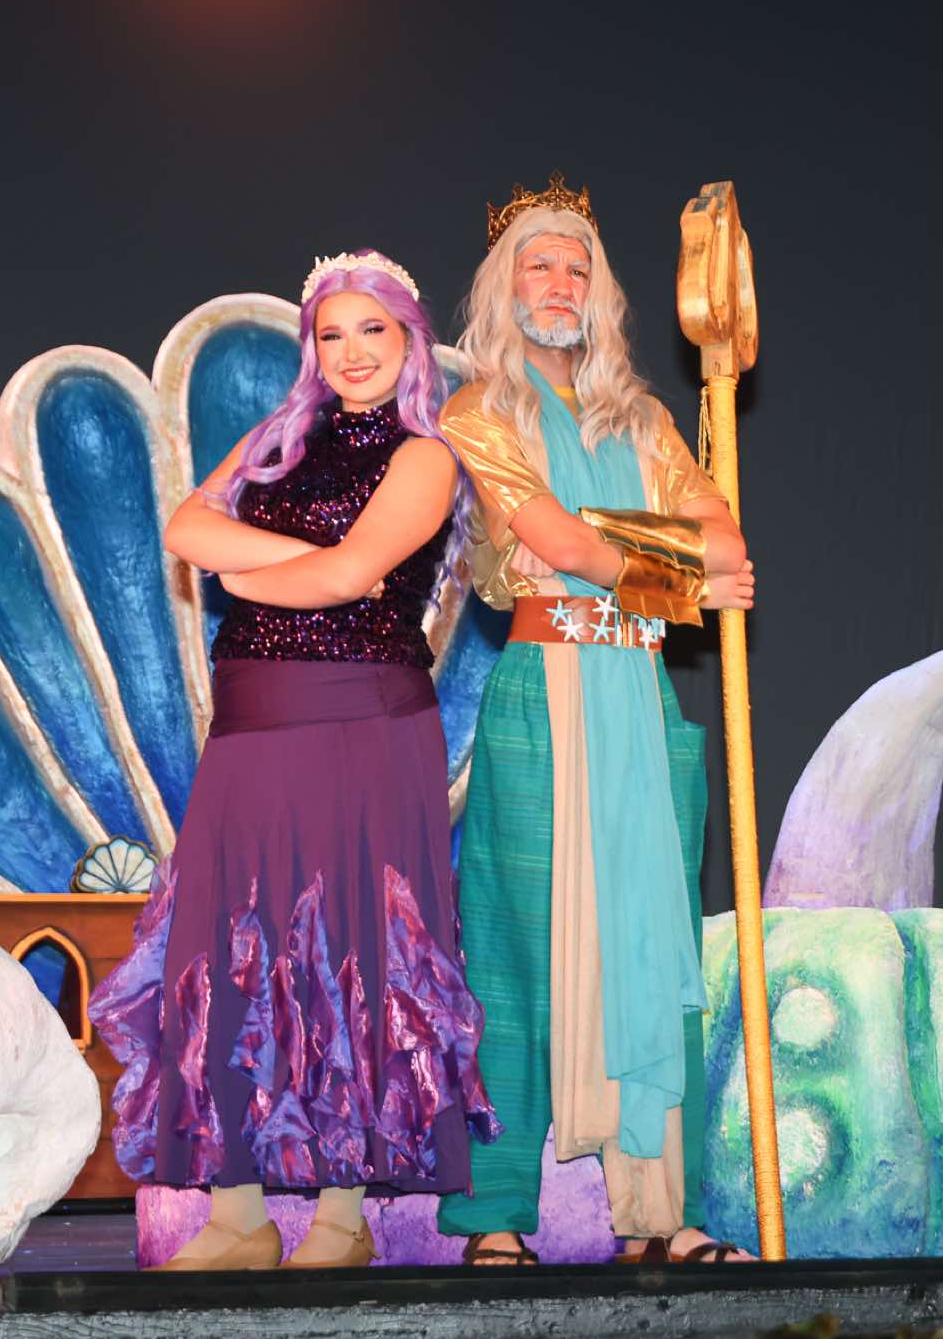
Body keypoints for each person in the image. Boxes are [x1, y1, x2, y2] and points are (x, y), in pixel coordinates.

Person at [89, 250, 498, 1271]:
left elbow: (354, 575)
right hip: (251, 722)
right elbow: (188, 529)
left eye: (372, 330)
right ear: (311, 347)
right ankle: (238, 1217)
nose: (352, 351)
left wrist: (264, 567)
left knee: (346, 949)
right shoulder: (278, 436)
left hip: (361, 721)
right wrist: (304, 569)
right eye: (331, 333)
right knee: (228, 952)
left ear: (408, 340)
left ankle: (341, 1219)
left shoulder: (426, 455)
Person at [432, 176, 757, 1266]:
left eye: (578, 266)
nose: (560, 281)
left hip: (640, 695)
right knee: (515, 950)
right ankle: (492, 1219)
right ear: (504, 286)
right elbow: (558, 543)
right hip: (543, 688)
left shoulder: (648, 420)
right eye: (539, 263)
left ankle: (662, 1217)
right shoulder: (479, 412)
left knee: (655, 950)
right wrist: (681, 574)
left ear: (602, 293)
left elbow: (724, 533)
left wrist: (686, 560)